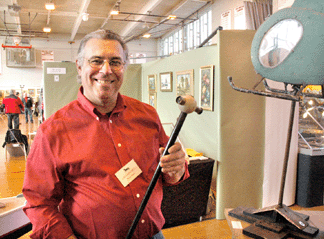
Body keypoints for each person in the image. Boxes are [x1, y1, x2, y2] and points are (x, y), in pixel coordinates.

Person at [22, 29, 189, 239]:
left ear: (124, 67)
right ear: (79, 66)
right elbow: (38, 202)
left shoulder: (147, 116)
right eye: (97, 60)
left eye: (116, 62)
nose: (106, 70)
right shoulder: (53, 131)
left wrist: (177, 169)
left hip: (153, 235)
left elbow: (169, 172)